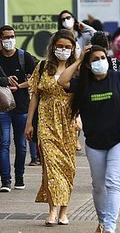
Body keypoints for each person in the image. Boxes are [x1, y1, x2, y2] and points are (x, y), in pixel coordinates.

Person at [57, 45, 120, 233]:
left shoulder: (118, 78)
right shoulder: (83, 83)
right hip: (94, 143)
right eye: (95, 59)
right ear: (87, 64)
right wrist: (78, 60)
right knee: (98, 185)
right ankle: (102, 222)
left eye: (103, 57)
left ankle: (110, 227)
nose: (101, 61)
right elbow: (62, 81)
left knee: (113, 182)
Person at [24, 29, 78, 226]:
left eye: (67, 47)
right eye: (60, 46)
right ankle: (53, 209)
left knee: (67, 167)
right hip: (46, 121)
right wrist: (29, 123)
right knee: (50, 167)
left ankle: (65, 210)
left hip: (68, 123)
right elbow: (35, 96)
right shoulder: (42, 67)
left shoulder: (77, 69)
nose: (63, 50)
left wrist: (79, 117)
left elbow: (82, 97)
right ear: (53, 46)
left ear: (73, 49)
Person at [0, 25, 36, 192]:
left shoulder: (23, 56)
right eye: (6, 37)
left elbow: (36, 79)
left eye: (12, 36)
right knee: (4, 143)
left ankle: (19, 177)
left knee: (21, 145)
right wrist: (4, 80)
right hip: (2, 107)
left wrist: (20, 86)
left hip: (21, 107)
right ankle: (6, 180)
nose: (10, 40)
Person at [58, 10, 96, 151]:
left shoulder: (82, 36)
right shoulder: (61, 37)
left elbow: (97, 36)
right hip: (68, 75)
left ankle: (76, 137)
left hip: (82, 75)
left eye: (68, 18)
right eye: (63, 19)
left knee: (79, 107)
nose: (66, 21)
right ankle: (72, 137)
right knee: (71, 107)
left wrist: (84, 26)